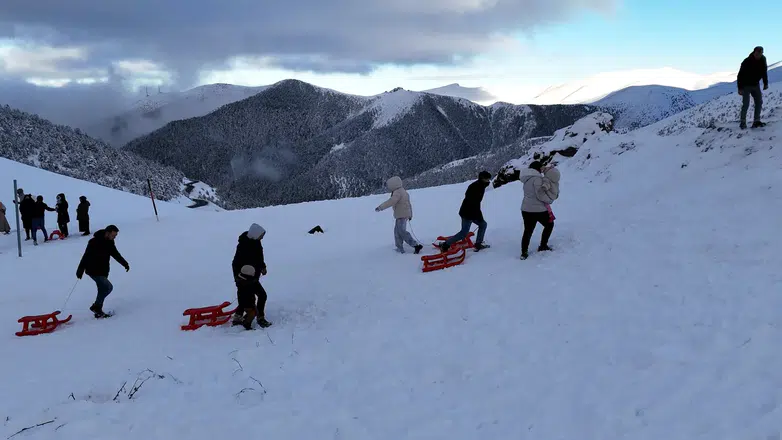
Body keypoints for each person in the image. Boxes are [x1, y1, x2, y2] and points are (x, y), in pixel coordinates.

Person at [76, 225, 130, 318]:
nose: (114, 237)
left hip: (104, 270)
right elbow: (86, 256)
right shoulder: (94, 242)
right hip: (93, 270)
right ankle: (96, 307)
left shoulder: (110, 242)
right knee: (108, 287)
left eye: (115, 236)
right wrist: (80, 269)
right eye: (113, 235)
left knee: (102, 290)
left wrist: (124, 263)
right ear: (107, 233)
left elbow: (115, 254)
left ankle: (98, 311)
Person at [438, 171, 493, 253]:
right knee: (463, 233)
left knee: (483, 224)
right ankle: (446, 244)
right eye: (487, 179)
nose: (488, 181)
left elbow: (476, 203)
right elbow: (472, 202)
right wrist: (477, 215)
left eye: (489, 179)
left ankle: (478, 243)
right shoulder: (475, 187)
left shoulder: (481, 186)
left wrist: (477, 215)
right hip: (467, 213)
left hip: (473, 212)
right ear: (482, 179)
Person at [231, 223, 272, 328]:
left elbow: (259, 257)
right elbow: (236, 263)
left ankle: (253, 317)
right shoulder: (243, 246)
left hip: (253, 277)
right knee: (251, 297)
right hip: (244, 279)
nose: (262, 237)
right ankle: (254, 318)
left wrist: (263, 267)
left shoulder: (257, 243)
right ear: (255, 234)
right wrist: (239, 277)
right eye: (261, 235)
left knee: (254, 297)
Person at [375, 176, 423, 254]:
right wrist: (410, 214)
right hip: (403, 215)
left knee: (401, 232)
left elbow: (391, 201)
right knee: (397, 232)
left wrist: (380, 207)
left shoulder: (397, 192)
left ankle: (415, 245)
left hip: (402, 216)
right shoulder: (403, 191)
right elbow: (409, 204)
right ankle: (399, 248)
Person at [519, 161, 556, 260]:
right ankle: (543, 245)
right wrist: (550, 200)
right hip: (538, 209)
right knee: (549, 224)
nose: (542, 169)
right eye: (541, 168)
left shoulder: (527, 179)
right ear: (537, 169)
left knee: (528, 230)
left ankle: (524, 252)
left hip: (526, 209)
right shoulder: (537, 179)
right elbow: (540, 194)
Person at [737, 46, 769, 129]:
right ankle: (743, 122)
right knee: (746, 104)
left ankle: (756, 121)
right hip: (746, 85)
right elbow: (740, 75)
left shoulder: (763, 59)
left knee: (759, 102)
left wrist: (765, 83)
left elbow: (764, 71)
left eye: (760, 53)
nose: (759, 55)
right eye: (757, 53)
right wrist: (740, 88)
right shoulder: (747, 61)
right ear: (754, 52)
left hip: (755, 84)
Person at [234, 265, 268, 330]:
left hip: (248, 301)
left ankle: (244, 319)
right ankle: (247, 324)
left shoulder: (243, 280)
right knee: (252, 313)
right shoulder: (246, 284)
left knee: (255, 311)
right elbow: (247, 292)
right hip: (247, 303)